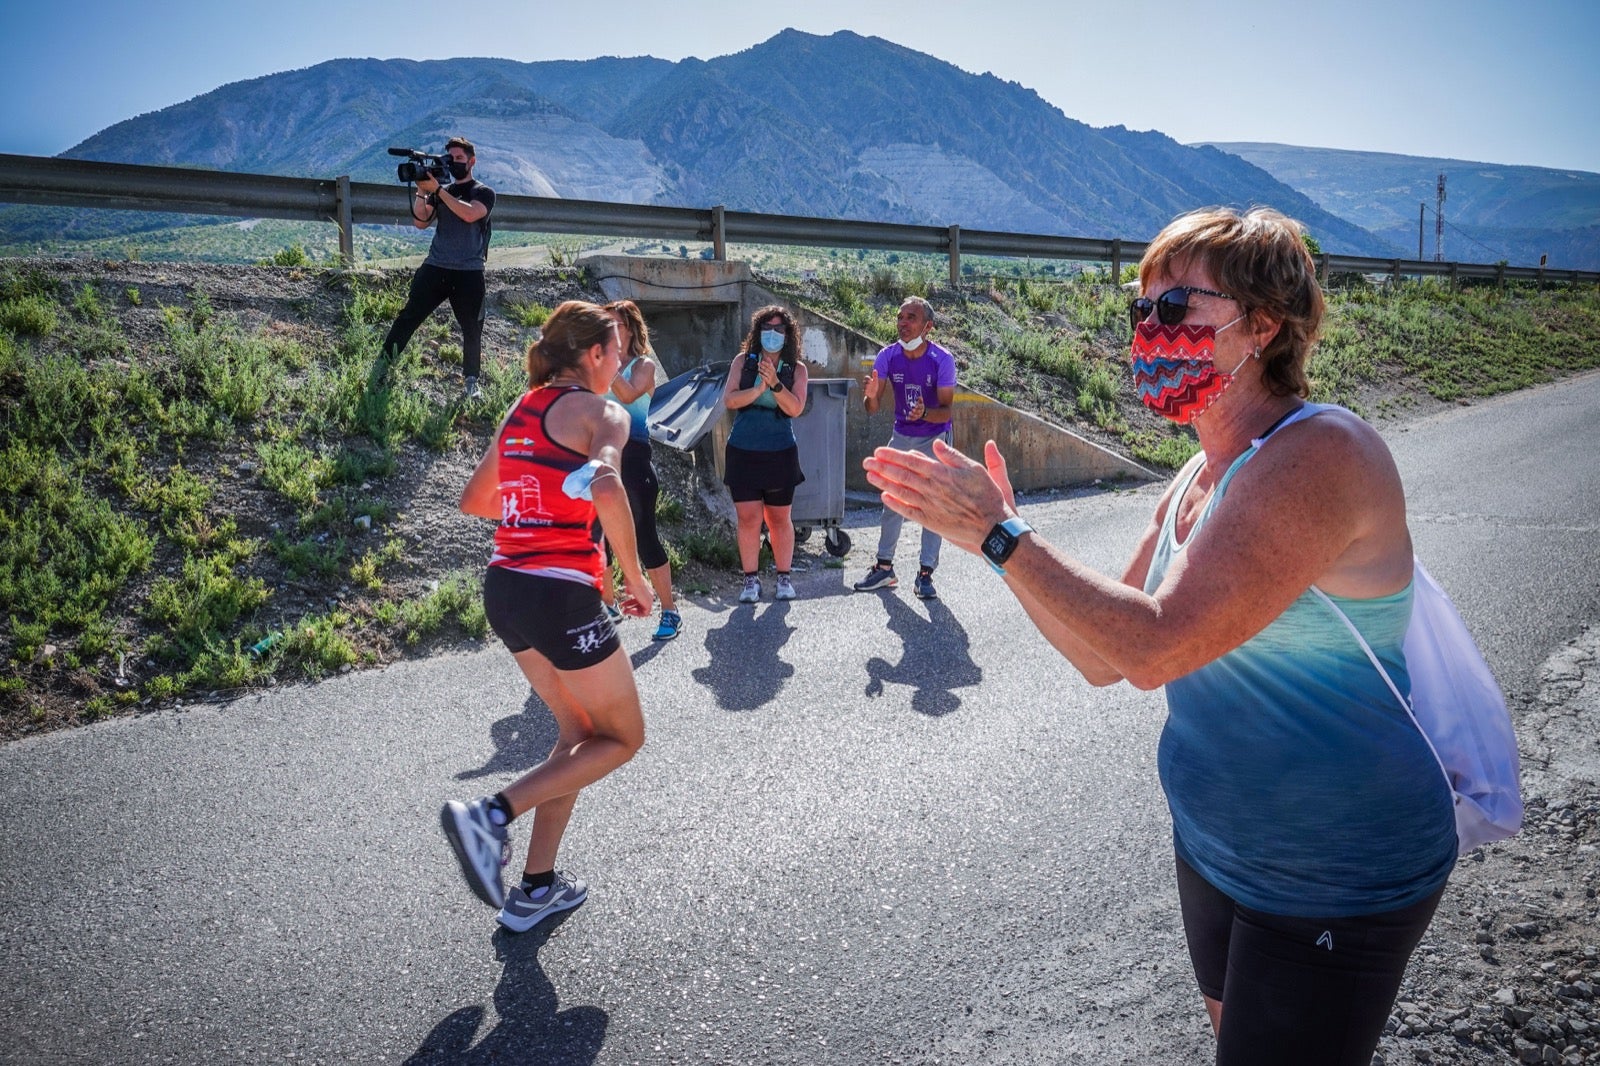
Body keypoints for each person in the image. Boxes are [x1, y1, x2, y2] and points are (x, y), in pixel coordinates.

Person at [863, 206, 1455, 1066]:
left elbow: (1156, 648)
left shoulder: (1321, 454)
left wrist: (1003, 536)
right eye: (1142, 309)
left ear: (1263, 325)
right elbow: (1102, 658)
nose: (1149, 329)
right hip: (1216, 844)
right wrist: (998, 545)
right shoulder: (1196, 474)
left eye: (1175, 307)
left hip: (1333, 867)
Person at [441, 300, 653, 933]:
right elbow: (607, 485)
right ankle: (489, 815)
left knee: (577, 732)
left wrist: (541, 510)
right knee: (622, 739)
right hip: (559, 596)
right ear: (594, 354)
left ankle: (535, 887)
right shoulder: (605, 412)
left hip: (506, 588)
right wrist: (635, 577)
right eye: (617, 353)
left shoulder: (522, 408)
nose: (620, 364)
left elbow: (477, 499)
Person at [376, 135, 496, 400]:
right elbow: (421, 221)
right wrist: (422, 190)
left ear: (472, 161)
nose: (454, 163)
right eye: (450, 158)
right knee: (408, 317)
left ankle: (472, 383)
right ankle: (381, 368)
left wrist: (438, 191)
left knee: (472, 328)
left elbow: (469, 214)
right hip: (436, 266)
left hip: (469, 272)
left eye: (459, 158)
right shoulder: (443, 191)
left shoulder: (483, 192)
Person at [854, 296, 957, 599]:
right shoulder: (887, 356)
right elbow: (872, 408)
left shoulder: (942, 360)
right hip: (901, 434)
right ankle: (884, 567)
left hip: (934, 436)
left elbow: (947, 412)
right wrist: (871, 395)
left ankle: (925, 574)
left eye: (911, 317)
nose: (903, 323)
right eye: (900, 317)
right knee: (892, 500)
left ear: (928, 326)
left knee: (931, 504)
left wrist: (924, 413)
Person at [603, 300, 683, 641]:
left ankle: (670, 611)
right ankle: (608, 606)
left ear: (631, 329)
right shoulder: (598, 363)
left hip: (634, 458)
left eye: (614, 325)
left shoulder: (643, 365)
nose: (608, 331)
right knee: (597, 535)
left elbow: (629, 393)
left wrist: (606, 365)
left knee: (645, 536)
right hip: (602, 459)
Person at [721, 305, 810, 604]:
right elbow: (730, 400)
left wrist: (775, 384)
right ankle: (750, 580)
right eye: (767, 328)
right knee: (748, 518)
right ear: (757, 332)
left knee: (779, 518)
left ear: (788, 334)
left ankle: (783, 578)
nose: (772, 334)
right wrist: (758, 389)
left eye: (779, 329)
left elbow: (795, 408)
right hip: (743, 450)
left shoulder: (796, 369)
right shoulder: (743, 362)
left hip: (779, 451)